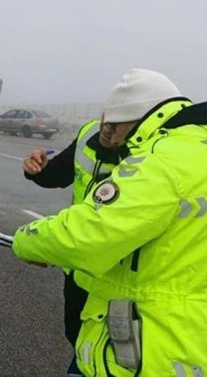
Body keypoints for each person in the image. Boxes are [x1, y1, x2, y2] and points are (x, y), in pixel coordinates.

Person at [12, 68, 207, 376]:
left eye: (117, 127)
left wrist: (26, 242)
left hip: (156, 349)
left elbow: (87, 235)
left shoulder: (163, 159)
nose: (113, 137)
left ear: (137, 116)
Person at [22, 117, 122, 376]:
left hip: (118, 282)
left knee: (114, 356)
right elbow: (58, 174)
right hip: (78, 273)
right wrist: (38, 168)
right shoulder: (89, 130)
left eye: (116, 126)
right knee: (77, 337)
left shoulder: (156, 153)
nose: (107, 131)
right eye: (106, 122)